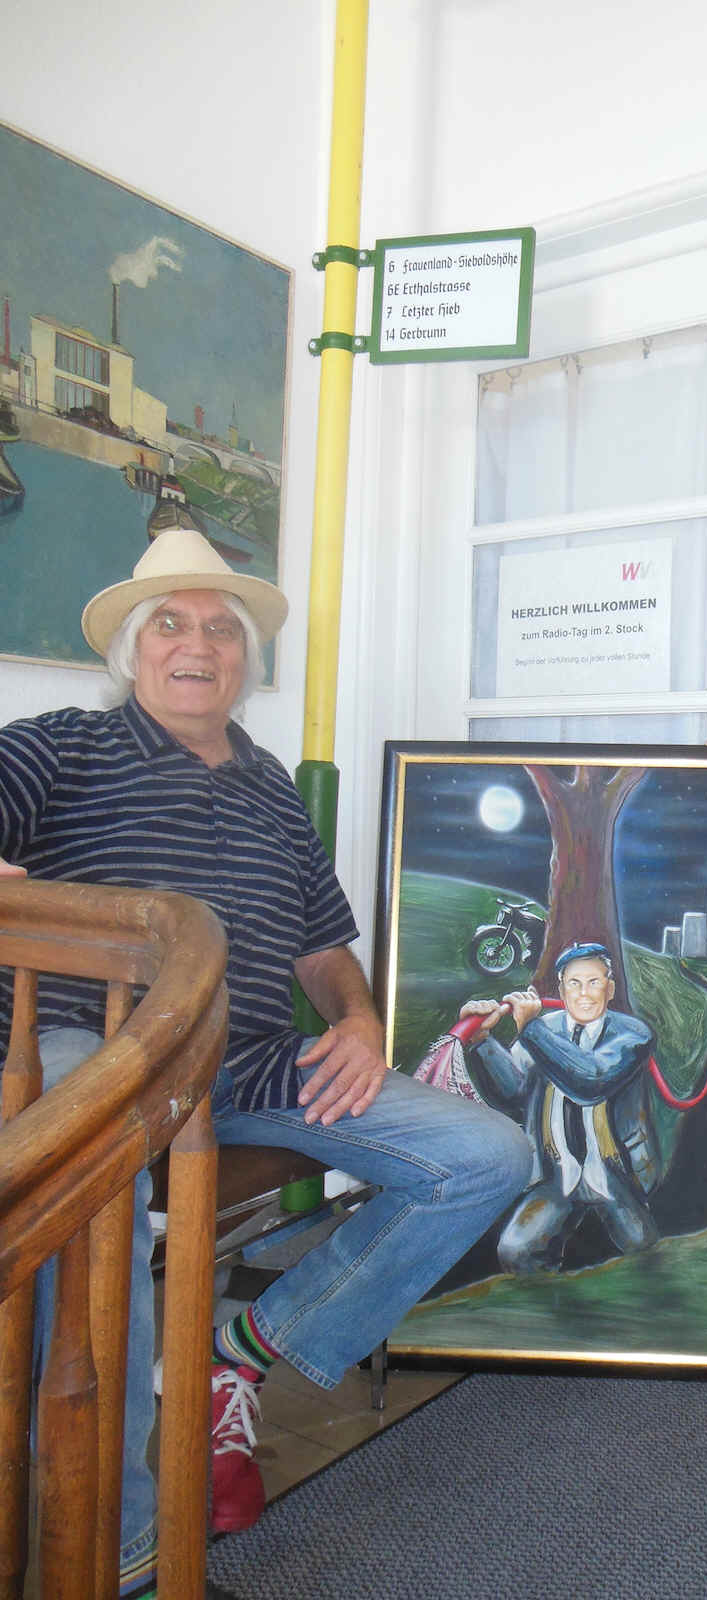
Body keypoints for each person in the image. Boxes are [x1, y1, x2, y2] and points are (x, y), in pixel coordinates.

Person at [0, 528, 530, 1597]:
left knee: (487, 1155)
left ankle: (238, 1354)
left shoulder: (273, 785)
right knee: (94, 1144)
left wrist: (360, 1021)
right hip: (88, 1057)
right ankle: (125, 1544)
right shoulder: (58, 745)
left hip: (243, 1067)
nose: (197, 645)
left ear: (244, 657)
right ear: (133, 652)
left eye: (221, 628)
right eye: (170, 623)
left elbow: (323, 951)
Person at [458, 942, 661, 1273]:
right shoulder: (545, 1029)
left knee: (642, 1251)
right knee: (515, 1252)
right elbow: (513, 1095)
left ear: (610, 989)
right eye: (574, 983)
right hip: (556, 1170)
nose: (584, 994)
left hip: (614, 1168)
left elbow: (591, 1080)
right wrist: (482, 1041)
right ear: (562, 990)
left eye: (594, 982)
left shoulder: (632, 1033)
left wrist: (531, 1029)